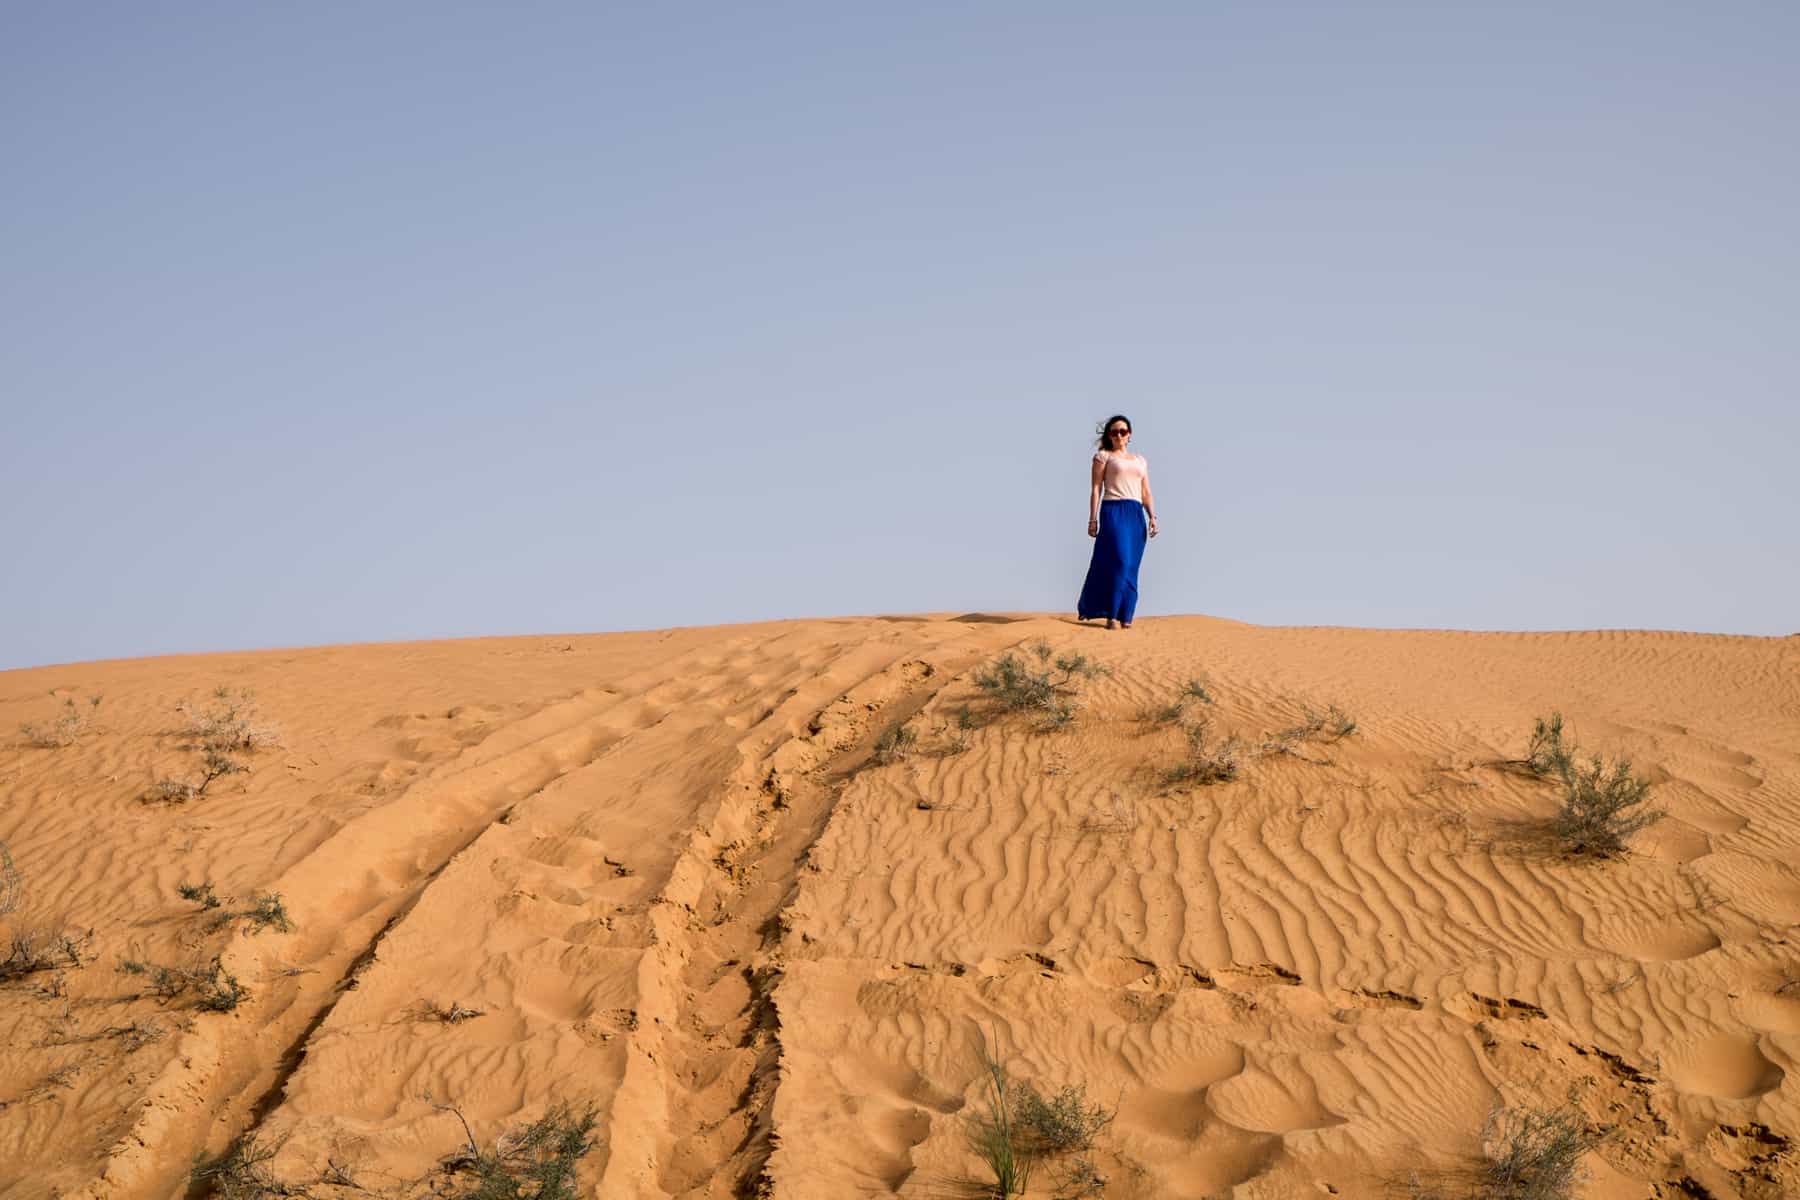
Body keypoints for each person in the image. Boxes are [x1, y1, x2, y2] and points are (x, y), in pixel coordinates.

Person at [1078, 415, 1157, 629]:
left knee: (1131, 566)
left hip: (1135, 513)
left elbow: (1146, 491)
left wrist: (1153, 516)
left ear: (1129, 435)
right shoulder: (1103, 457)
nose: (1118, 435)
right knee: (1120, 561)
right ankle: (1111, 614)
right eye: (1114, 432)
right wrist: (1092, 519)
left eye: (1122, 431)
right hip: (1113, 510)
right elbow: (1096, 489)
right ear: (1109, 436)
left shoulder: (1140, 460)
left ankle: (1126, 616)